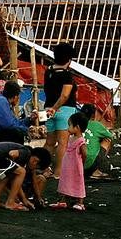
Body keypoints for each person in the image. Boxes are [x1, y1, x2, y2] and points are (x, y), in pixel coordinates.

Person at [43, 42, 83, 178]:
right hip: (64, 110)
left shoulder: (48, 71)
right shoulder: (67, 75)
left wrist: (52, 109)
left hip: (48, 109)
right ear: (69, 59)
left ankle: (44, 168)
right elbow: (65, 95)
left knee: (49, 142)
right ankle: (58, 172)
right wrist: (56, 108)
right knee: (62, 143)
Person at [0, 141, 35, 210]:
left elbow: (15, 179)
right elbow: (12, 154)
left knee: (7, 175)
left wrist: (23, 199)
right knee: (22, 171)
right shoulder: (26, 152)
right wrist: (23, 199)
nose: (34, 164)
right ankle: (10, 203)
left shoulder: (18, 151)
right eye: (35, 161)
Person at [53, 112, 88, 211]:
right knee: (66, 181)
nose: (68, 128)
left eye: (70, 125)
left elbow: (85, 153)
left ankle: (80, 202)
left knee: (78, 182)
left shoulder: (81, 141)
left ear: (77, 127)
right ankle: (63, 200)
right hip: (68, 165)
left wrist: (81, 163)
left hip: (76, 166)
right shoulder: (71, 138)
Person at [79, 103, 114, 178]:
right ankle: (96, 170)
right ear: (93, 115)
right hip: (90, 165)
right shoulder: (96, 125)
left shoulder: (77, 125)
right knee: (107, 140)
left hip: (76, 165)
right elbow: (110, 136)